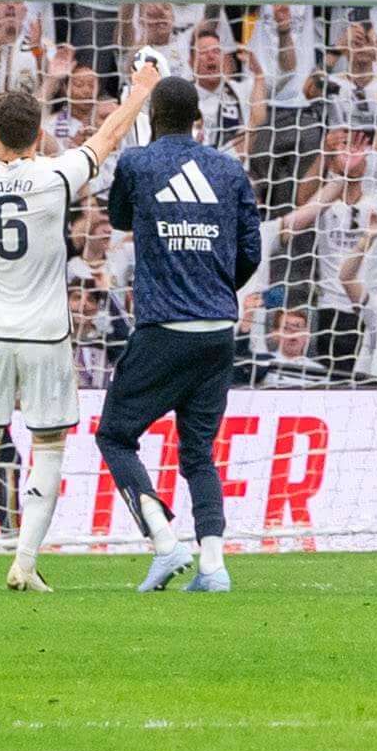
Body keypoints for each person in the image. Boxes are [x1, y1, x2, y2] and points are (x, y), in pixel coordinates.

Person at [0, 24, 134, 593]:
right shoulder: (55, 175)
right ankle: (23, 562)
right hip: (46, 334)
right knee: (47, 444)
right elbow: (106, 136)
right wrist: (140, 89)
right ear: (40, 134)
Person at [99, 64, 260, 594]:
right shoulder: (230, 170)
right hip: (218, 331)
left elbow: (120, 219)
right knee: (198, 451)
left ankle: (164, 543)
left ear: (151, 116)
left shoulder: (139, 163)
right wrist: (214, 283)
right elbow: (250, 254)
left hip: (165, 326)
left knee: (116, 435)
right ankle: (214, 566)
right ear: (198, 119)